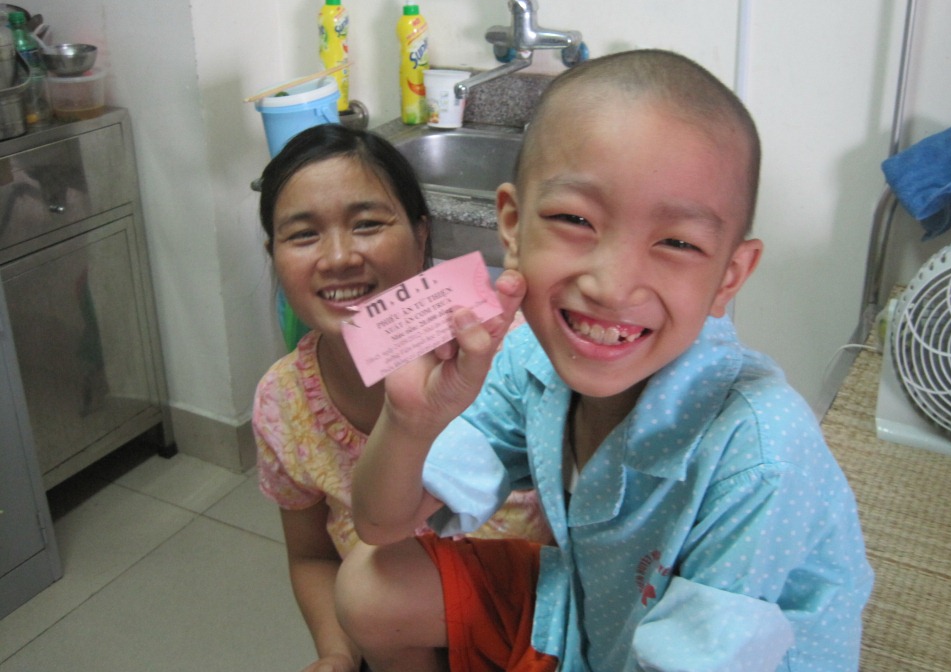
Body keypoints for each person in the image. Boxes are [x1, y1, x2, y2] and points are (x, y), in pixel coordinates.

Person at [335, 49, 874, 672]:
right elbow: (382, 524)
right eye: (575, 219)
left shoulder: (760, 455)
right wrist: (411, 421)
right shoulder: (527, 359)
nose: (613, 286)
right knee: (370, 584)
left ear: (730, 276)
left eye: (677, 242)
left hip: (708, 658)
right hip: (594, 610)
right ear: (511, 226)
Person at [251, 124, 551, 672]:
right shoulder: (283, 400)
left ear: (421, 233)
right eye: (303, 235)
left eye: (367, 224)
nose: (338, 257)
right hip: (390, 641)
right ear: (274, 254)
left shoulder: (510, 355)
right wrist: (336, 654)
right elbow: (312, 557)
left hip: (528, 634)